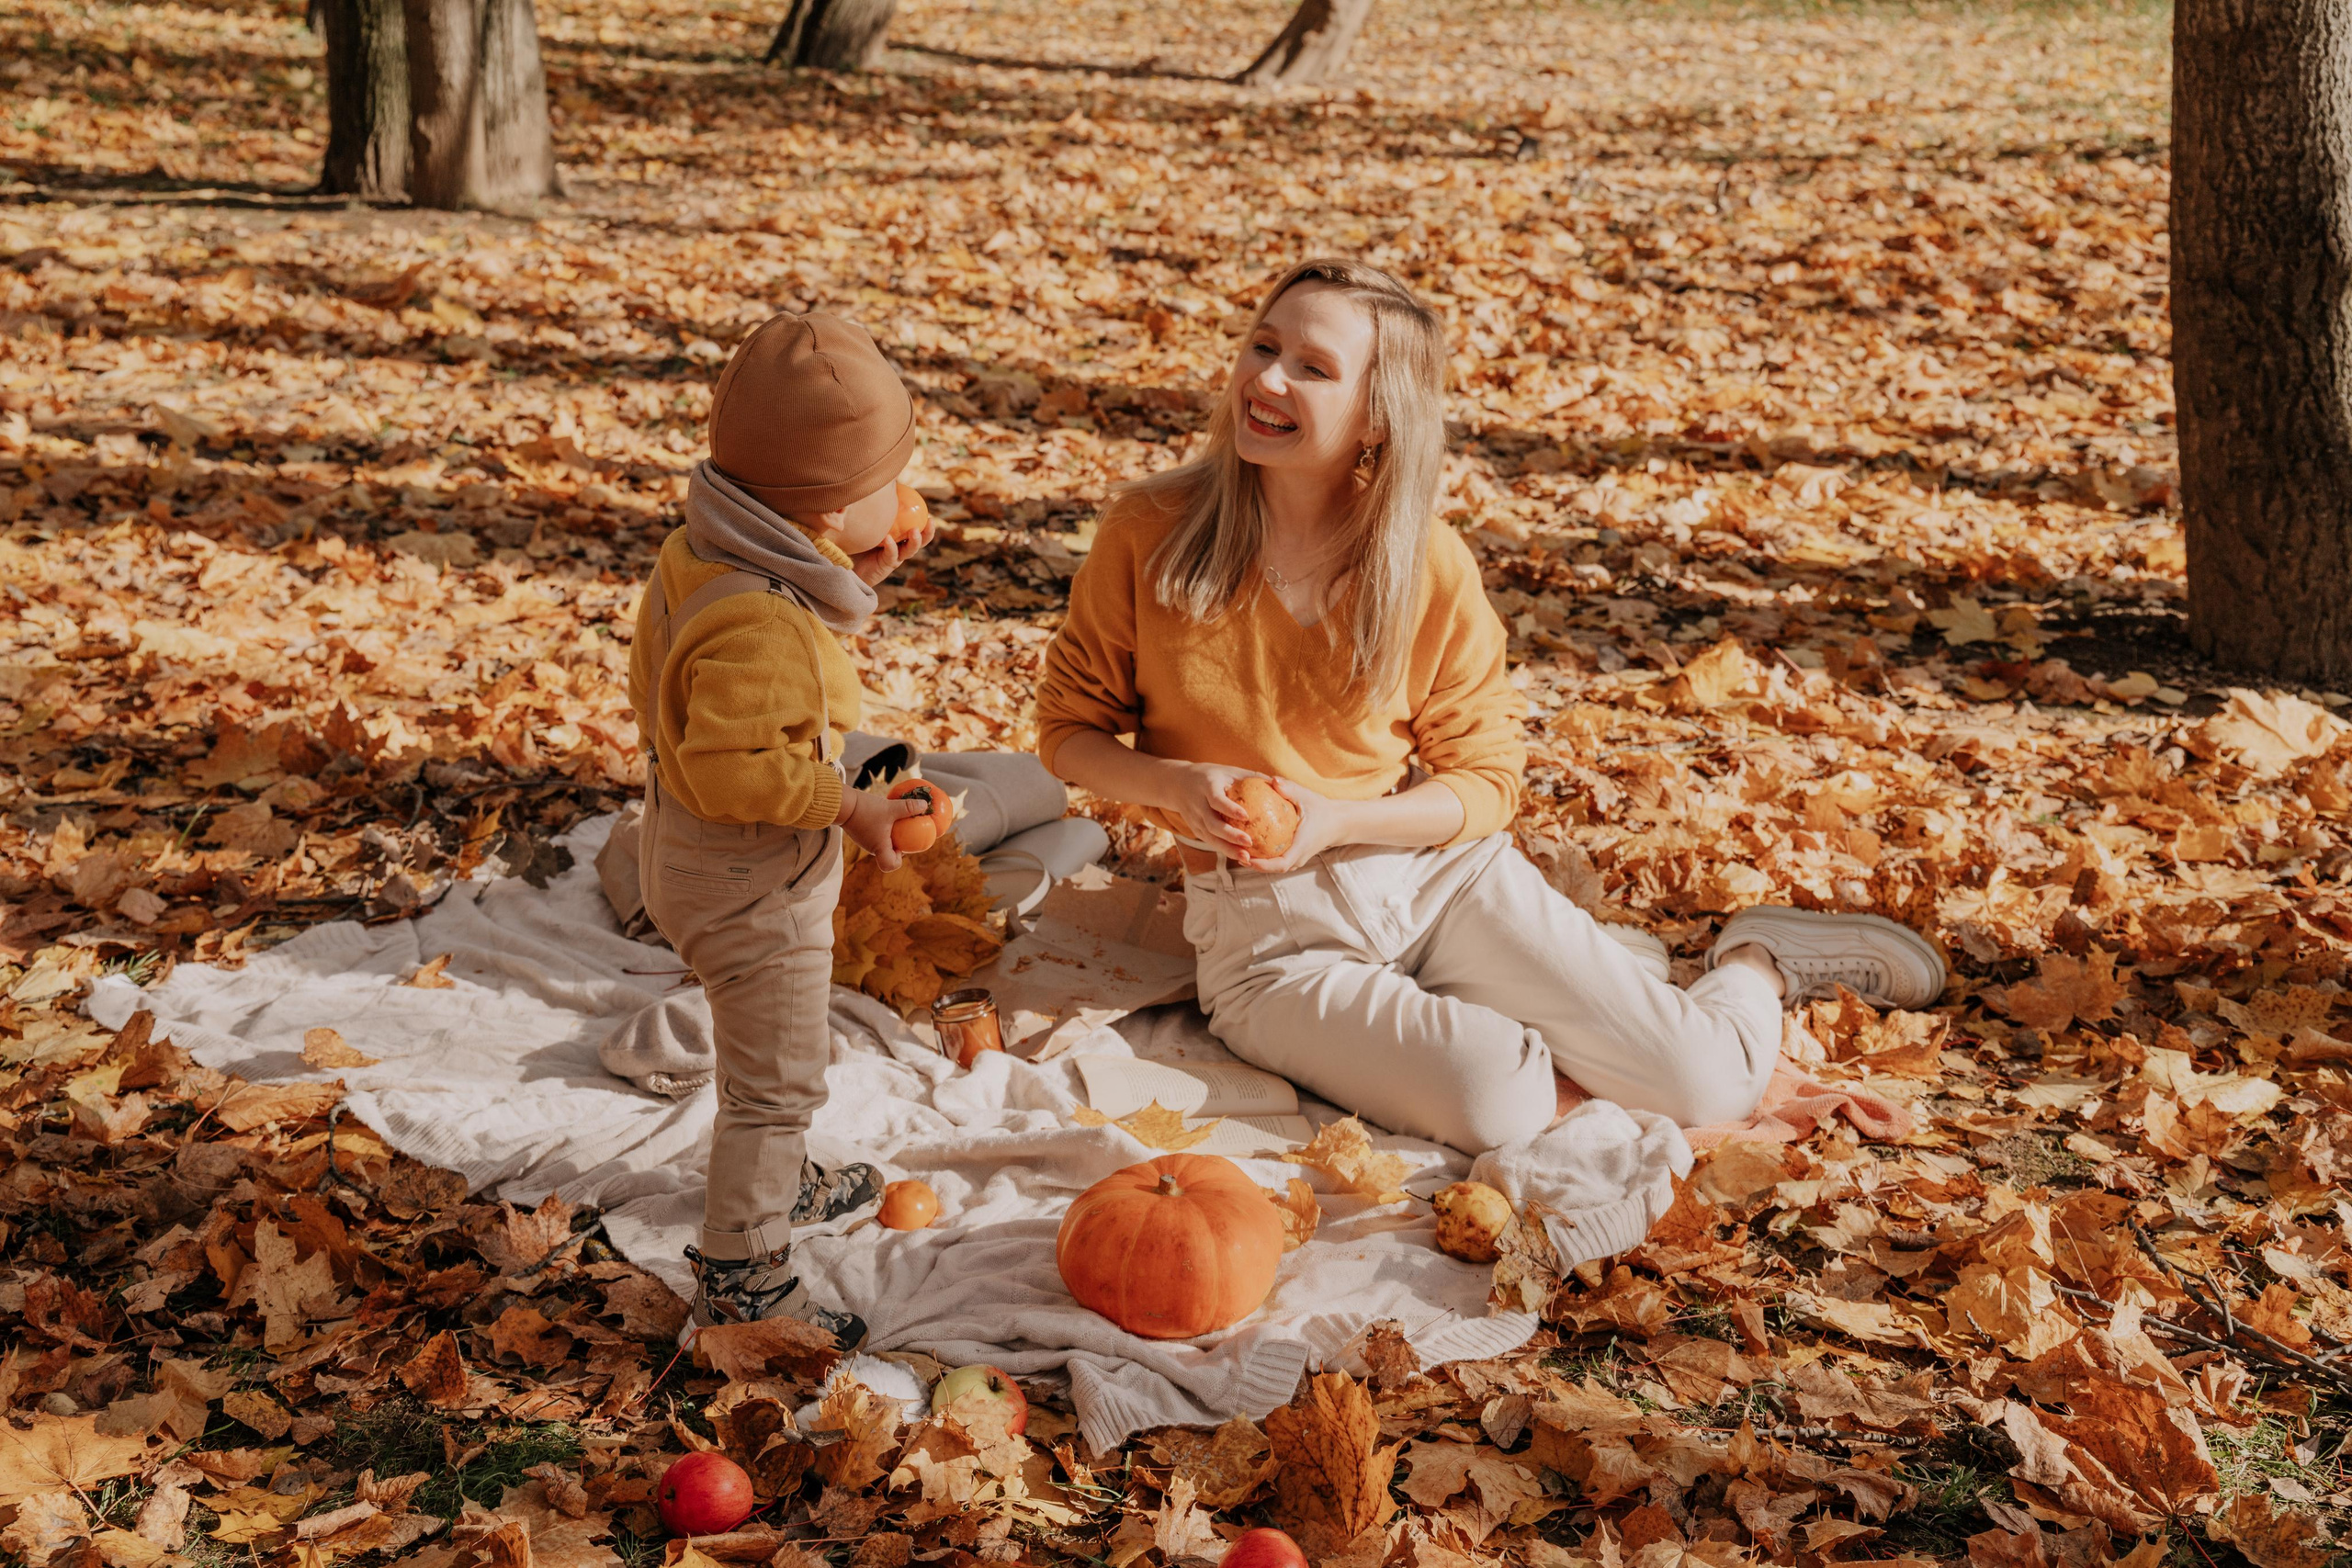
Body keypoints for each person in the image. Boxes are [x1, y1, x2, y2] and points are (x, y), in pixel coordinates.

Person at [1034, 258, 1945, 1156]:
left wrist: (1339, 819)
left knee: (1709, 1085)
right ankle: (1591, 984)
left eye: (1311, 368)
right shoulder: (1150, 531)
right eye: (1262, 346)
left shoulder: (1423, 562)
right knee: (1500, 1103)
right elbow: (1067, 734)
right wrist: (1179, 784)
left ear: (1377, 418)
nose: (1264, 380)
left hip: (1435, 878)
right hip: (1267, 931)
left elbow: (1485, 780)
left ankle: (1757, 961)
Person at [627, 310, 939, 1340]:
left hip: (684, 848)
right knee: (778, 1082)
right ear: (836, 506)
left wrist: (868, 565)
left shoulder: (712, 546)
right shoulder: (761, 620)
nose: (908, 494)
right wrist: (845, 805)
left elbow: (766, 662)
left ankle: (778, 1180)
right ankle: (743, 1271)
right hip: (747, 878)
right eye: (893, 480)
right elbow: (732, 768)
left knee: (760, 1058)